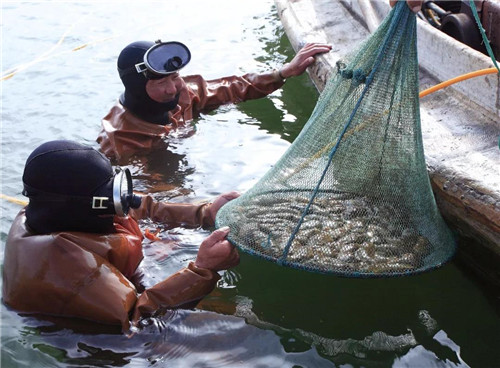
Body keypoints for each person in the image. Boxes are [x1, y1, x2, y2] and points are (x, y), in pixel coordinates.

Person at [2, 140, 240, 332]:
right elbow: (138, 321)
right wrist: (202, 270)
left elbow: (136, 205)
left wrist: (204, 212)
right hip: (103, 340)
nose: (122, 200)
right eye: (111, 196)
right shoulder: (63, 264)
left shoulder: (57, 209)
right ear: (94, 205)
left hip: (115, 282)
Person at [97, 40, 333, 161]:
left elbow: (232, 88)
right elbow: (145, 198)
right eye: (160, 83)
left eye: (175, 77)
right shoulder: (119, 142)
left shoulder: (184, 92)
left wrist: (282, 73)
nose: (173, 89)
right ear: (137, 89)